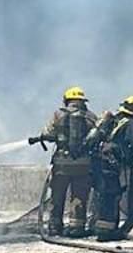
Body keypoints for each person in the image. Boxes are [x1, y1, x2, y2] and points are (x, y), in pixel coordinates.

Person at [29, 86, 97, 237]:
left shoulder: (58, 115)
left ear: (66, 100)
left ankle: (54, 228)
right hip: (83, 165)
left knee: (57, 197)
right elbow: (97, 137)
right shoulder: (91, 116)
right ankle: (77, 228)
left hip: (61, 164)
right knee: (79, 197)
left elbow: (48, 133)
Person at [87, 95, 133, 241]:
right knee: (111, 196)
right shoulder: (129, 124)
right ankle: (106, 232)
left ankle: (99, 227)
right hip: (110, 165)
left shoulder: (112, 120)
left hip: (98, 162)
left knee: (102, 196)